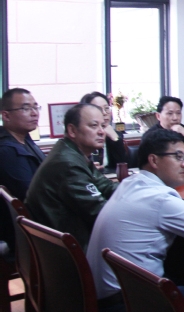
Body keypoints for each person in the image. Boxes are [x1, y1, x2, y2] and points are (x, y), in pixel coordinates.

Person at [87, 127, 184, 312]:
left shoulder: (130, 183)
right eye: (178, 156)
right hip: (128, 306)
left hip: (105, 299)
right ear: (154, 160)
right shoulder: (159, 198)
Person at [25, 103, 117, 250]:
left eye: (103, 126)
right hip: (69, 250)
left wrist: (133, 192)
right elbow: (100, 214)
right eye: (94, 126)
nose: (101, 132)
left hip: (70, 241)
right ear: (72, 130)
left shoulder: (72, 152)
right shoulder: (67, 164)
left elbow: (106, 186)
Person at [0, 88, 46, 253]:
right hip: (25, 234)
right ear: (6, 116)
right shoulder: (8, 151)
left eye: (35, 107)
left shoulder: (25, 139)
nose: (34, 113)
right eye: (26, 108)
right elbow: (31, 196)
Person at [146, 95, 184, 161]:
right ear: (158, 116)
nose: (175, 118)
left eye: (178, 113)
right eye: (170, 113)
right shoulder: (151, 135)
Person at [80, 91, 129, 168]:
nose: (104, 113)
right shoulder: (81, 136)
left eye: (106, 108)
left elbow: (123, 167)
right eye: (98, 109)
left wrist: (116, 139)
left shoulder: (115, 134)